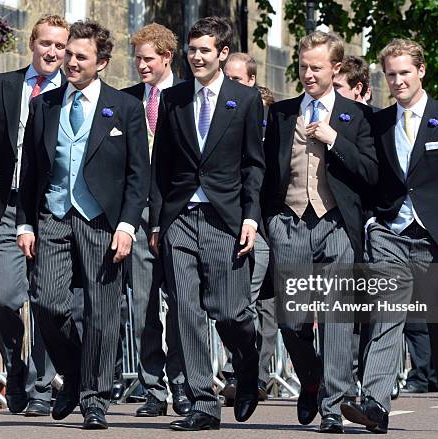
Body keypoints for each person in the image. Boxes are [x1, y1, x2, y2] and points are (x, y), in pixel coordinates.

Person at [340, 39, 438, 434]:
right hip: (391, 233)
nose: (398, 80)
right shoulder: (377, 122)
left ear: (420, 71)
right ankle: (375, 402)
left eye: (404, 72)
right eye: (391, 74)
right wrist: (372, 222)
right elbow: (369, 177)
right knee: (387, 316)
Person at [16, 19, 149, 430]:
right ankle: (73, 371)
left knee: (103, 314)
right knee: (45, 301)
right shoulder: (45, 105)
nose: (70, 62)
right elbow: (32, 173)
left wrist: (127, 226)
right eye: (68, 54)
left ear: (102, 62)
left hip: (102, 222)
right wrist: (25, 224)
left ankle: (94, 399)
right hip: (53, 214)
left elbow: (137, 175)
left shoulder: (125, 108)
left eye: (80, 56)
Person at [149, 16, 265, 431]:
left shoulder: (245, 100)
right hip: (180, 217)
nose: (196, 56)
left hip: (225, 218)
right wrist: (159, 222)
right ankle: (203, 402)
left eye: (204, 50)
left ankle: (247, 365)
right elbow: (160, 166)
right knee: (185, 310)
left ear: (222, 53)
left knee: (230, 312)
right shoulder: (173, 99)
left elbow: (254, 166)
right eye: (192, 49)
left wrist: (251, 217)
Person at [261, 31, 377, 433]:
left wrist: (335, 139)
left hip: (336, 224)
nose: (307, 74)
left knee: (337, 321)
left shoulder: (357, 116)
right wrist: (270, 221)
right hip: (290, 221)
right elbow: (264, 171)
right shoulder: (281, 113)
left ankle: (333, 404)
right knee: (292, 320)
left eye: (316, 67)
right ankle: (311, 380)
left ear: (337, 68)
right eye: (302, 66)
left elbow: (370, 173)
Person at [0, 15, 69, 417]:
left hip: (52, 211)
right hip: (7, 205)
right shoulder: (4, 85)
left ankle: (41, 388)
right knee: (7, 297)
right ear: (32, 43)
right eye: (46, 43)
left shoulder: (72, 94)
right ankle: (16, 364)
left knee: (47, 302)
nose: (53, 53)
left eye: (60, 47)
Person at [120, 22, 190, 417]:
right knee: (143, 306)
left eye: (148, 59)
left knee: (181, 304)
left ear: (166, 58)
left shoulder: (184, 98)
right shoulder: (129, 101)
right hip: (137, 213)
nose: (141, 65)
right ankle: (152, 388)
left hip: (177, 214)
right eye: (138, 58)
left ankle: (181, 384)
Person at [222, 52, 276, 403]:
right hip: (237, 220)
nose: (231, 85)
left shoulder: (272, 121)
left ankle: (255, 374)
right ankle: (243, 373)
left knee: (264, 305)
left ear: (252, 81)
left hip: (271, 224)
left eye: (238, 80)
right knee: (241, 301)